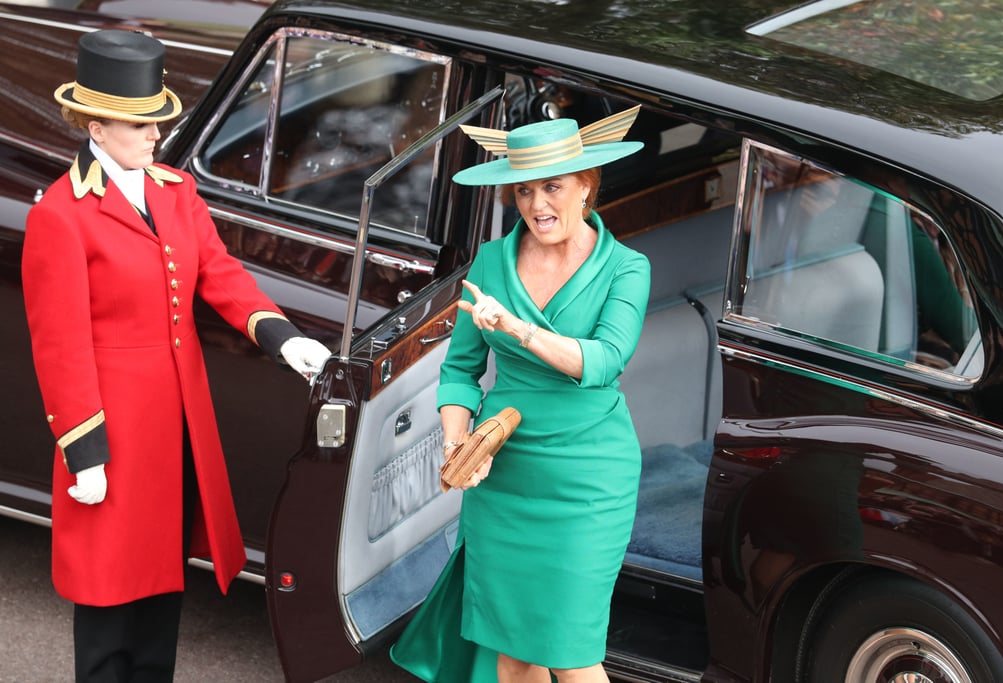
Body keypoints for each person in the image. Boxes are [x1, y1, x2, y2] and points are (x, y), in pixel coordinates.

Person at [21, 30, 332, 682]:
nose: (156, 134)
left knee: (162, 591)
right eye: (141, 124)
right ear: (96, 127)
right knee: (108, 598)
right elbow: (60, 344)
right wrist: (84, 449)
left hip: (173, 426)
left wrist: (283, 337)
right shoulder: (61, 214)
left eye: (159, 118)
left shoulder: (174, 190)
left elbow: (220, 275)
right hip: (109, 431)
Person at [391, 105, 650, 682]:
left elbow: (604, 362)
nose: (537, 205)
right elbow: (459, 371)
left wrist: (516, 328)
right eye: (524, 190)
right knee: (514, 653)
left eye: (552, 187)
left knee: (573, 653)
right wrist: (459, 445)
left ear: (587, 185)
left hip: (588, 477)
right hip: (504, 474)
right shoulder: (490, 261)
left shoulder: (627, 267)